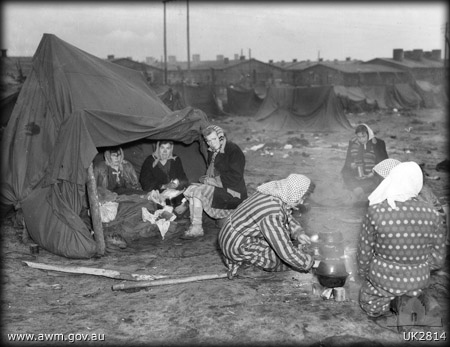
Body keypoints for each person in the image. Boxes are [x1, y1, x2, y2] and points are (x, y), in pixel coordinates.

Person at [357, 162, 446, 321]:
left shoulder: (376, 210)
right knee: (416, 289)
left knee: (368, 302)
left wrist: (364, 273)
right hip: (419, 278)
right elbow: (438, 259)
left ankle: (391, 302)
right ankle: (415, 299)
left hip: (382, 278)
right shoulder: (433, 213)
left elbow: (364, 251)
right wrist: (419, 265)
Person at [218, 174, 316, 279]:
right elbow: (284, 249)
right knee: (279, 260)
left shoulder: (274, 192)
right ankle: (245, 264)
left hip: (232, 234)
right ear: (294, 192)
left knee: (285, 246)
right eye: (301, 197)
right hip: (237, 245)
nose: (301, 202)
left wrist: (298, 232)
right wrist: (309, 263)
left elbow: (285, 215)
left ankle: (248, 259)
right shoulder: (271, 212)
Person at [181, 125, 247, 239]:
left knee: (198, 192)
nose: (211, 143)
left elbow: (235, 177)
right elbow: (213, 173)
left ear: (221, 137)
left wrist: (213, 181)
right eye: (208, 141)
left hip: (233, 192)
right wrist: (206, 179)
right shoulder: (213, 152)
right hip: (220, 188)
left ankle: (197, 227)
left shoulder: (233, 150)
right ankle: (195, 225)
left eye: (214, 139)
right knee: (191, 189)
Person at [341, 124, 388, 203]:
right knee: (352, 187)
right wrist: (351, 165)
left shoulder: (378, 144)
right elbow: (347, 161)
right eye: (359, 137)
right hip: (356, 176)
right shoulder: (353, 143)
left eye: (363, 137)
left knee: (376, 189)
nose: (361, 139)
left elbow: (383, 163)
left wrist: (373, 173)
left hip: (373, 177)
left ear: (368, 135)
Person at [139, 140, 189, 214]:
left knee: (186, 200)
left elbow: (183, 178)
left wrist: (178, 184)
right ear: (158, 148)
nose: (165, 151)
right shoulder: (150, 161)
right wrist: (164, 186)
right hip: (158, 195)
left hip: (175, 194)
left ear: (171, 149)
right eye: (162, 148)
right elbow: (145, 182)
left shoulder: (175, 160)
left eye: (168, 148)